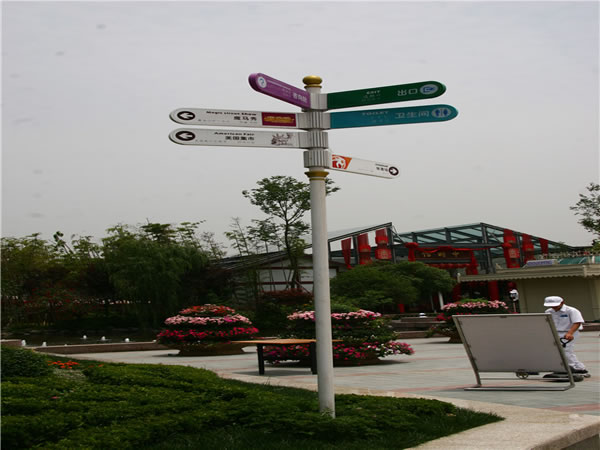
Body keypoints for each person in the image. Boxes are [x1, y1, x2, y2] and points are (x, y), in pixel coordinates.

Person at [544, 295, 589, 377]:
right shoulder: (548, 311)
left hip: (570, 332)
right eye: (551, 306)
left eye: (555, 305)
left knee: (566, 350)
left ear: (562, 303)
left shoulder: (571, 310)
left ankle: (570, 367)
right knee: (560, 351)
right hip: (556, 332)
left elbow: (577, 322)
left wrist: (570, 333)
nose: (554, 307)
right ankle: (579, 368)